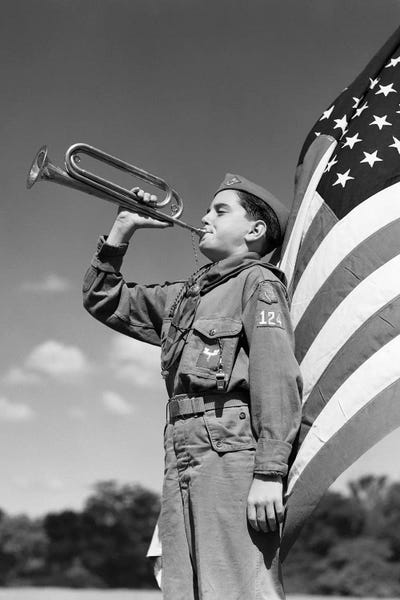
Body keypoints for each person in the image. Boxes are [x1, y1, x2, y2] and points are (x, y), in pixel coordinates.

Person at [83, 173, 302, 600]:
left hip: (230, 448)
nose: (204, 218)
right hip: (180, 446)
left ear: (255, 231)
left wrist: (269, 472)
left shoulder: (259, 282)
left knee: (236, 586)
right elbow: (102, 297)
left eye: (220, 211)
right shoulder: (185, 295)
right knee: (183, 588)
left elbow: (275, 375)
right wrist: (123, 227)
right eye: (208, 210)